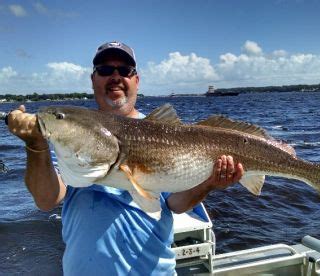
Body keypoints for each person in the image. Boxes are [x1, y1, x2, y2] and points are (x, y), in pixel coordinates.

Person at [8, 41, 244, 275]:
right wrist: (35, 145)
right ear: (93, 79)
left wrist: (209, 183)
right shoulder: (67, 138)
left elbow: (175, 204)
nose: (115, 76)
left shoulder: (163, 131)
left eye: (124, 70)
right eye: (105, 70)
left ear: (136, 80)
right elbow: (47, 200)